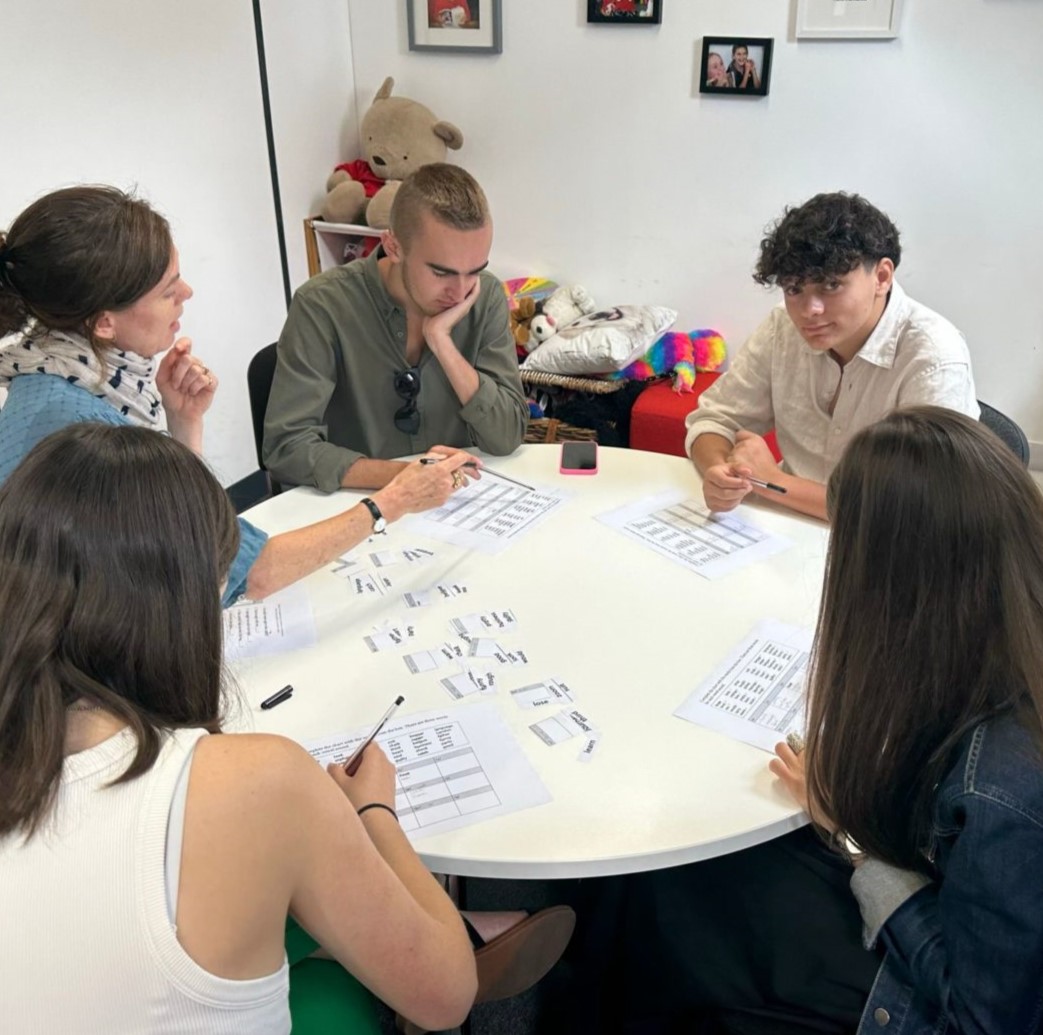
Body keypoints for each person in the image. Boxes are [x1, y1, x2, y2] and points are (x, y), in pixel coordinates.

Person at [0, 422, 575, 1034]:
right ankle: (447, 935)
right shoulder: (254, 781)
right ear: (184, 598)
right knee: (337, 930)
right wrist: (372, 811)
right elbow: (447, 999)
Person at [611, 407, 1043, 1034]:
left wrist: (850, 836)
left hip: (920, 994)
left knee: (676, 898)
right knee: (681, 871)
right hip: (933, 876)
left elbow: (979, 1017)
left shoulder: (1001, 779)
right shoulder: (1000, 629)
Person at [0, 185, 476, 606]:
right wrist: (391, 502)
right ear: (103, 322)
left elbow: (176, 532)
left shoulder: (48, 378)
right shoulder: (82, 436)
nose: (187, 292)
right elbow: (240, 571)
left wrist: (184, 425)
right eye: (168, 290)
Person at [687, 192, 978, 521]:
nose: (809, 310)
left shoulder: (933, 356)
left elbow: (922, 506)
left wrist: (775, 482)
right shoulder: (781, 327)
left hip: (885, 547)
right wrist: (721, 471)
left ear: (881, 277)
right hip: (786, 524)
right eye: (794, 289)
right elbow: (714, 420)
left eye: (830, 286)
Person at [263, 163, 528, 492]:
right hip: (357, 507)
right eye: (441, 272)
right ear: (393, 246)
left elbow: (506, 437)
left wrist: (442, 342)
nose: (461, 292)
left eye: (474, 270)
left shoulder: (484, 296)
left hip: (458, 504)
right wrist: (403, 479)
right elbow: (287, 447)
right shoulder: (323, 306)